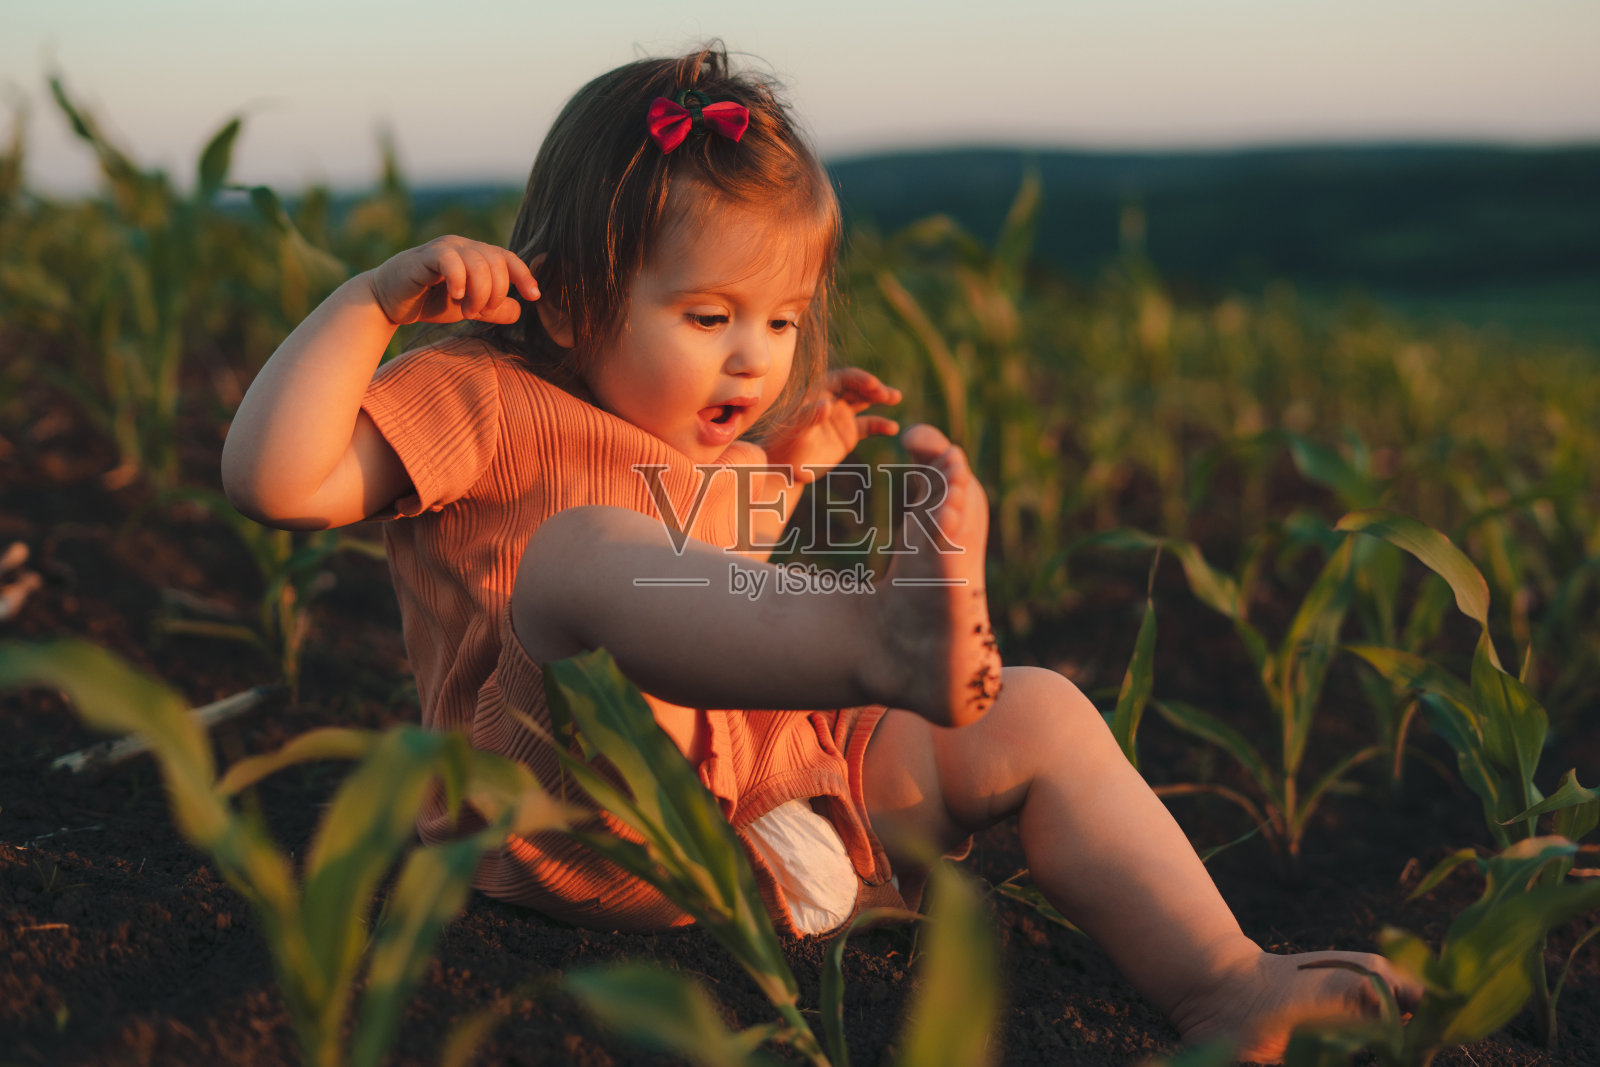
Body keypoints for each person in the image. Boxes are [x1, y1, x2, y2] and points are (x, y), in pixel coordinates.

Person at [221, 43, 1415, 1062]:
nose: (753, 356)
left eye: (781, 320)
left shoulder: (733, 454)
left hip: (777, 823)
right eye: (709, 317)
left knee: (1039, 714)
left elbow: (752, 593)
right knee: (583, 552)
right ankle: (882, 642)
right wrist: (368, 307)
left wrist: (822, 483)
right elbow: (274, 482)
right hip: (563, 814)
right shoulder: (484, 396)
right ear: (576, 300)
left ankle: (1221, 980)